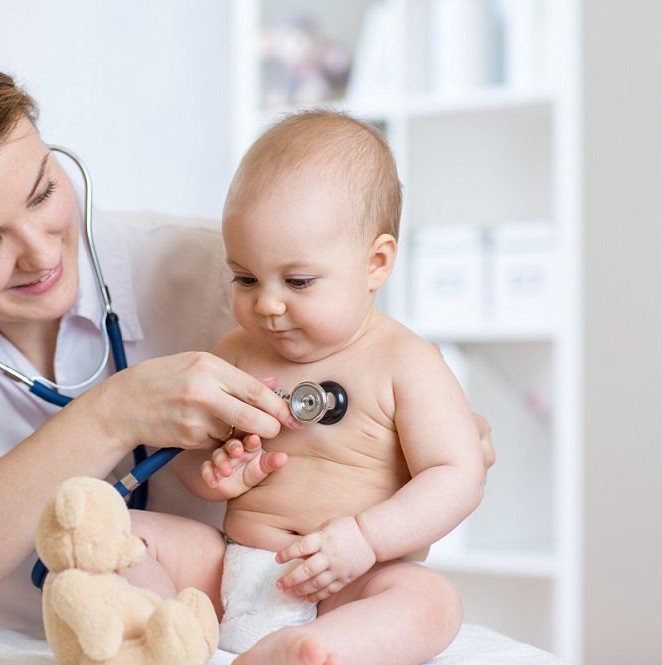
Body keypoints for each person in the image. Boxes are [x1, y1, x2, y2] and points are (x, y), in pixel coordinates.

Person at [0, 34, 494, 652]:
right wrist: (111, 415)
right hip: (85, 630)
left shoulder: (218, 270)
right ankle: (148, 642)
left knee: (424, 599)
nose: (38, 253)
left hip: (299, 575)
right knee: (118, 542)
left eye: (39, 192)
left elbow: (361, 386)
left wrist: (404, 461)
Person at [170, 110, 487, 665]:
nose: (267, 304)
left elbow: (457, 474)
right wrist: (211, 474)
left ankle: (313, 650)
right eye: (245, 278)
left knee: (431, 601)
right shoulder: (234, 354)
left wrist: (367, 539)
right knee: (134, 535)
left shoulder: (405, 363)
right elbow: (184, 453)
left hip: (350, 581)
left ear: (376, 263)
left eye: (297, 281)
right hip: (236, 565)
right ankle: (153, 632)